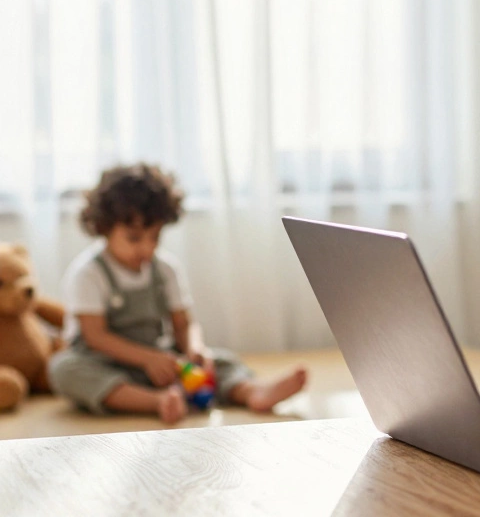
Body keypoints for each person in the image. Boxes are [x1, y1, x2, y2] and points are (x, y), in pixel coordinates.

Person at [48, 163, 307, 424]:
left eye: (155, 237)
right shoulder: (89, 274)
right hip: (106, 364)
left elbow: (184, 323)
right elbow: (96, 336)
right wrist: (147, 359)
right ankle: (157, 401)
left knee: (221, 361)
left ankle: (251, 391)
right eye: (134, 238)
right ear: (104, 227)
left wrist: (194, 349)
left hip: (161, 362)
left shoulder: (165, 269)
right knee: (63, 369)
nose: (147, 249)